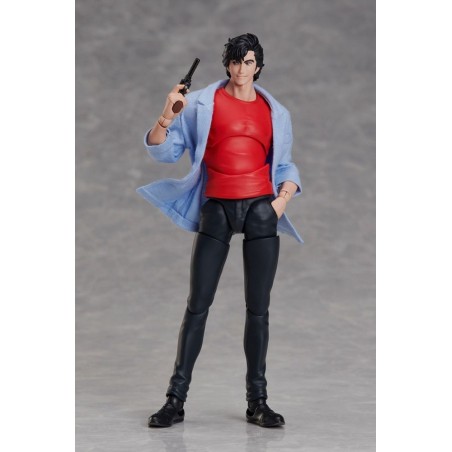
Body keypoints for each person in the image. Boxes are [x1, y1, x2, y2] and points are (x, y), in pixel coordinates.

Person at [137, 33, 302, 428]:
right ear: (227, 64)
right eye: (235, 61)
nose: (241, 69)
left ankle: (257, 401)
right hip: (217, 209)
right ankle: (175, 400)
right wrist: (166, 116)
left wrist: (282, 200)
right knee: (198, 304)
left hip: (261, 209)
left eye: (249, 62)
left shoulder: (275, 112)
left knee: (258, 309)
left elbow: (284, 165)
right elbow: (164, 151)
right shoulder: (199, 104)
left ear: (258, 66)